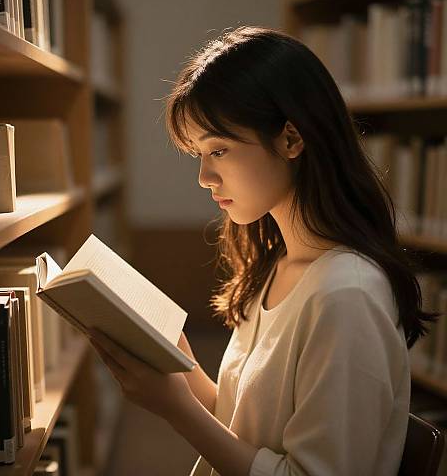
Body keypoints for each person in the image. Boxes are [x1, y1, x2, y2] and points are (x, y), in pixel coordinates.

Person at [87, 26, 438, 475]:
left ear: (291, 139)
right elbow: (247, 428)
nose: (204, 178)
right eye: (199, 154)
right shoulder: (278, 263)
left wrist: (178, 410)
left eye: (219, 150)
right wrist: (183, 367)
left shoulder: (346, 296)